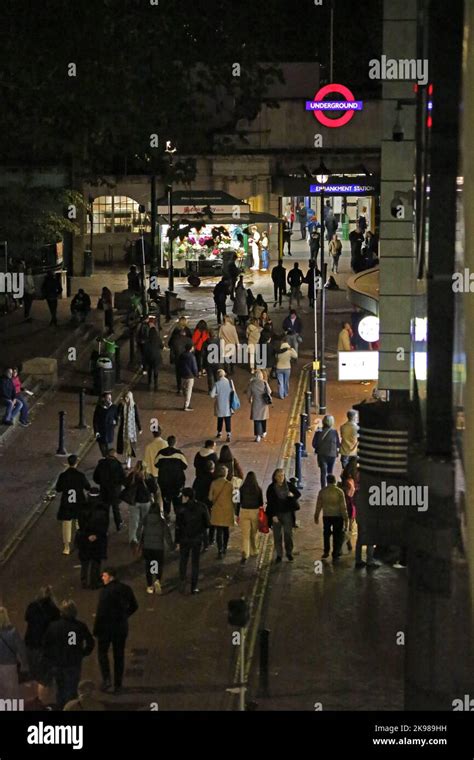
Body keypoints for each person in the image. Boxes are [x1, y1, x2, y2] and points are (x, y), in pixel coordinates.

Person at [93, 567, 138, 694]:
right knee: (119, 655)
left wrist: (96, 629)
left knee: (102, 653)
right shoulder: (126, 589)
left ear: (110, 577)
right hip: (120, 627)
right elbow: (134, 606)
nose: (102, 578)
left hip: (106, 628)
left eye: (104, 575)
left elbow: (101, 612)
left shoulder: (105, 592)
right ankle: (118, 684)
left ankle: (106, 679)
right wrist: (124, 615)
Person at [43, 600, 94, 709]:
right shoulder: (80, 626)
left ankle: (61, 707)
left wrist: (50, 659)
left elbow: (46, 645)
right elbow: (90, 642)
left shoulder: (53, 626)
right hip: (73, 663)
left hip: (58, 663)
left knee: (60, 689)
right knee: (71, 689)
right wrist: (83, 653)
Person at [176, 487, 210, 593]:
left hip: (184, 538)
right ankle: (193, 587)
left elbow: (178, 526)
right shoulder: (202, 507)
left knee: (183, 560)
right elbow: (207, 523)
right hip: (197, 538)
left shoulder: (181, 509)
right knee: (195, 562)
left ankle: (182, 581)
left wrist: (177, 541)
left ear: (186, 497)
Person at [55, 454, 91, 554]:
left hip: (67, 503)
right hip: (79, 502)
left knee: (66, 525)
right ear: (76, 463)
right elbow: (88, 487)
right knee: (80, 523)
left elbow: (58, 489)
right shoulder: (80, 476)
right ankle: (80, 543)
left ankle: (66, 547)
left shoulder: (63, 475)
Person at [76, 487, 109, 589]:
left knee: (85, 560)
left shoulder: (83, 508)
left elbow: (81, 523)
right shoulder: (103, 508)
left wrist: (87, 535)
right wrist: (97, 535)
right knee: (96, 560)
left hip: (85, 537)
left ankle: (84, 580)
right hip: (98, 538)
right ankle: (94, 581)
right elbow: (105, 524)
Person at [266, 469, 300, 562]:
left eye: (283, 475)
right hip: (276, 514)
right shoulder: (271, 488)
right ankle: (279, 554)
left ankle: (289, 552)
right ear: (275, 477)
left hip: (287, 513)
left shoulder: (289, 486)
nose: (281, 478)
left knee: (288, 534)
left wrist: (292, 495)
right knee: (277, 535)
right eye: (279, 476)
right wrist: (273, 515)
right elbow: (270, 503)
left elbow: (298, 494)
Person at [141, 500, 174, 594]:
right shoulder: (161, 521)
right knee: (157, 564)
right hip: (158, 547)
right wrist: (171, 546)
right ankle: (157, 580)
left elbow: (141, 532)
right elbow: (167, 535)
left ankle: (150, 586)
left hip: (148, 547)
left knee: (149, 565)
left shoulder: (146, 519)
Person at [314, 474, 348, 562]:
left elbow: (319, 505)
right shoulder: (339, 492)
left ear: (327, 481)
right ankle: (335, 553)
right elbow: (343, 507)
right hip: (338, 516)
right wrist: (346, 518)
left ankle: (326, 551)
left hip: (327, 516)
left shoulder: (322, 491)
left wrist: (316, 515)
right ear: (335, 481)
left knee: (326, 534)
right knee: (337, 535)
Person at [122, 461, 156, 547]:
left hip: (134, 502)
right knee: (146, 521)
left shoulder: (132, 476)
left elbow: (125, 484)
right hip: (146, 502)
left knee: (134, 521)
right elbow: (154, 489)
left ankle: (133, 539)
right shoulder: (149, 477)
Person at [93, 449, 126, 532]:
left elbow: (95, 477)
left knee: (105, 510)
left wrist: (101, 482)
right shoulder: (118, 465)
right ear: (115, 456)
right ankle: (118, 524)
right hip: (115, 491)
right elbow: (123, 478)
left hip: (104, 490)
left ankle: (105, 528)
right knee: (116, 509)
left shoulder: (101, 464)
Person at [0, 606, 29, 700]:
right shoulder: (13, 632)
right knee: (11, 695)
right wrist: (24, 664)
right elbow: (21, 650)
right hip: (10, 667)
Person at [155, 435, 188, 518]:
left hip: (164, 483)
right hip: (177, 483)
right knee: (178, 503)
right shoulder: (179, 454)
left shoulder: (160, 453)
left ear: (167, 442)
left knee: (166, 501)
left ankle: (166, 516)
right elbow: (185, 466)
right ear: (175, 443)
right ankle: (178, 520)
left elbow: (156, 464)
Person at [209, 465, 235, 559]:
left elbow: (210, 497)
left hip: (217, 509)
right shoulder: (230, 484)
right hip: (227, 509)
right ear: (225, 473)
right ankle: (224, 547)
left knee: (219, 531)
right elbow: (234, 498)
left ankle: (219, 550)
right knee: (226, 530)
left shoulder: (213, 483)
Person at [238, 471, 263, 563]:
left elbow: (239, 501)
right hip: (254, 512)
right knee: (254, 532)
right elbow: (261, 502)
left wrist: (237, 513)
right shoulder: (258, 489)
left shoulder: (242, 489)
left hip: (244, 511)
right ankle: (254, 550)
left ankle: (245, 552)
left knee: (245, 535)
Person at [312, 415, 341, 488]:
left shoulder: (319, 431)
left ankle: (323, 488)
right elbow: (338, 444)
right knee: (330, 472)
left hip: (321, 454)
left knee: (323, 472)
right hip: (332, 455)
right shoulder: (334, 432)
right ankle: (330, 486)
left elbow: (314, 444)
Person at [117, 391, 142, 469]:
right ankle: (126, 458)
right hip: (123, 429)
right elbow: (117, 414)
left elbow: (137, 417)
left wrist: (140, 428)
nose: (126, 399)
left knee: (129, 445)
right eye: (125, 397)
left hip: (131, 430)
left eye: (127, 397)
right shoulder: (122, 405)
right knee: (124, 445)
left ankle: (129, 460)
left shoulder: (134, 406)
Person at [210, 369, 235, 441]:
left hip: (220, 403)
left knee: (220, 419)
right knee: (228, 419)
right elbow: (233, 391)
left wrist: (217, 394)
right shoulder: (229, 383)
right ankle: (228, 434)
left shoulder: (217, 384)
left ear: (218, 375)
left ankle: (219, 432)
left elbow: (212, 395)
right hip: (228, 404)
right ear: (225, 374)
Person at [247, 368, 272, 442]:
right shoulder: (264, 383)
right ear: (261, 376)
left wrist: (250, 398)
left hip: (256, 403)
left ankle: (258, 435)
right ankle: (264, 432)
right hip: (264, 403)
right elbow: (269, 391)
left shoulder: (252, 383)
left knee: (257, 420)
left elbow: (248, 393)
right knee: (263, 418)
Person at [169, 327, 193, 394]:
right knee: (186, 373)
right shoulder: (189, 340)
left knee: (178, 374)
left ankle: (179, 388)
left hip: (178, 359)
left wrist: (172, 359)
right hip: (187, 359)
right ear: (185, 334)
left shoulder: (175, 340)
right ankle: (185, 387)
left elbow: (171, 348)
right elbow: (192, 349)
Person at [177, 343, 199, 411]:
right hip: (190, 375)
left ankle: (186, 401)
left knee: (185, 389)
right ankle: (186, 405)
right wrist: (196, 374)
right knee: (189, 390)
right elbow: (194, 367)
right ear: (190, 348)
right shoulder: (192, 357)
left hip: (183, 374)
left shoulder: (181, 355)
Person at [275, 335, 297, 399]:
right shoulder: (290, 351)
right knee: (286, 381)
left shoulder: (279, 350)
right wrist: (292, 349)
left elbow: (276, 357)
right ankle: (286, 393)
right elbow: (295, 356)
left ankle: (281, 395)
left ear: (282, 342)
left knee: (280, 382)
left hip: (279, 367)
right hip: (287, 368)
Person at [143, 325, 163, 391]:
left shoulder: (147, 340)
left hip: (149, 356)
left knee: (150, 370)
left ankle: (149, 383)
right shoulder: (158, 339)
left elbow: (145, 349)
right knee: (156, 370)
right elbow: (162, 346)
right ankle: (156, 384)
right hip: (156, 356)